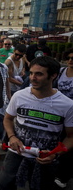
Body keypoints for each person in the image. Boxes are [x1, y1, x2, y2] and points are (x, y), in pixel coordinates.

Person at [0, 56, 73, 190]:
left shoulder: (67, 105)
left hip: (45, 158)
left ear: (53, 75)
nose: (32, 78)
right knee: (4, 185)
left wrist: (54, 154)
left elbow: (70, 137)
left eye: (39, 74)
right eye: (31, 73)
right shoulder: (19, 96)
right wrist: (12, 137)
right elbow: (8, 118)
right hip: (16, 153)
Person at [53, 48, 73, 188]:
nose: (71, 61)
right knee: (57, 141)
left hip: (72, 115)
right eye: (69, 58)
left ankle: (63, 176)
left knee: (69, 146)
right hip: (58, 113)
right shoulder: (61, 71)